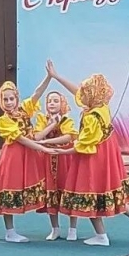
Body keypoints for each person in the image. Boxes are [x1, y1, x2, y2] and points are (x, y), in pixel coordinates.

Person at [48, 63, 129, 246]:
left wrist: (64, 151)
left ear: (91, 95)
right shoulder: (101, 107)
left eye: (85, 93)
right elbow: (77, 92)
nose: (81, 95)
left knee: (88, 193)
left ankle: (101, 236)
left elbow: (84, 145)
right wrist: (57, 77)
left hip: (92, 157)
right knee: (107, 193)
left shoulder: (91, 117)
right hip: (105, 155)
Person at [0, 61, 56, 243]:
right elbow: (22, 139)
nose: (8, 103)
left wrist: (49, 77)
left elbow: (37, 93)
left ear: (17, 98)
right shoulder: (3, 121)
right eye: (5, 99)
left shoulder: (24, 111)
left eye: (11, 99)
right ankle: (9, 231)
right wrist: (43, 148)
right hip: (13, 156)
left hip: (27, 155)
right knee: (9, 188)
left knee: (10, 189)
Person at [34, 91, 79, 241]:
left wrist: (47, 142)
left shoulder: (66, 119)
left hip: (65, 159)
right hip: (47, 160)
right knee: (50, 192)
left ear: (62, 104)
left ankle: (72, 229)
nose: (52, 103)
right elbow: (37, 136)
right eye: (49, 101)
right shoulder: (42, 118)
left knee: (69, 191)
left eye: (56, 101)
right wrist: (52, 125)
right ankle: (55, 229)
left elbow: (68, 136)